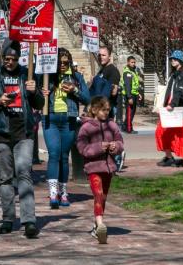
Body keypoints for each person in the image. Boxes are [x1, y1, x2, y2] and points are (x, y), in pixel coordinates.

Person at [0, 41, 44, 238]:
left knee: (24, 173)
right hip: (0, 131)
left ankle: (29, 220)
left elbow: (39, 103)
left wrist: (34, 91)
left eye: (14, 59)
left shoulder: (26, 73)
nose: (10, 63)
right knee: (5, 177)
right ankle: (7, 218)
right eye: (7, 59)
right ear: (2, 57)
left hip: (24, 132)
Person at [42, 48, 90, 209]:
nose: (62, 65)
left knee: (64, 156)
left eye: (65, 62)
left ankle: (63, 191)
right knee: (54, 153)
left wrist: (74, 90)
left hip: (69, 119)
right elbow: (35, 95)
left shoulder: (76, 77)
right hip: (51, 119)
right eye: (59, 62)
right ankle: (53, 192)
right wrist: (43, 93)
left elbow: (87, 98)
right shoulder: (47, 76)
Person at [76, 96, 124, 244]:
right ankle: (101, 224)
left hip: (108, 168)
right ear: (95, 110)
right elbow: (82, 148)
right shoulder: (86, 127)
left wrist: (115, 146)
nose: (106, 113)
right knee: (98, 193)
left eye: (108, 110)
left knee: (103, 197)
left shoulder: (112, 125)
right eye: (104, 110)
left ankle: (97, 226)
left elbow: (120, 142)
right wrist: (98, 147)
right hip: (93, 167)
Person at [155, 50, 183, 167]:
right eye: (172, 59)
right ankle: (169, 157)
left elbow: (180, 92)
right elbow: (170, 92)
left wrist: (172, 104)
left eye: (175, 59)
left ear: (181, 61)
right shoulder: (174, 75)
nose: (172, 60)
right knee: (161, 131)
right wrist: (164, 106)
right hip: (170, 109)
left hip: (181, 110)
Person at [91, 46, 120, 120]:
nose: (101, 57)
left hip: (107, 109)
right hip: (98, 108)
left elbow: (114, 92)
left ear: (109, 57)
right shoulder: (102, 70)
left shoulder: (113, 70)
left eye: (104, 55)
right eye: (99, 55)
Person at [119, 56, 142, 134]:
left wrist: (138, 94)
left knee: (132, 112)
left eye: (134, 62)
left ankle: (125, 126)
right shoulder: (127, 72)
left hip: (134, 94)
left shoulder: (133, 71)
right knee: (129, 112)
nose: (133, 64)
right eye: (132, 62)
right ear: (128, 62)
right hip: (130, 95)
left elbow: (134, 85)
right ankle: (128, 128)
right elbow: (128, 86)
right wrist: (129, 97)